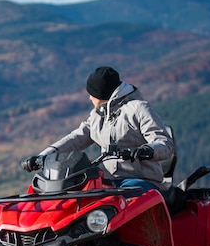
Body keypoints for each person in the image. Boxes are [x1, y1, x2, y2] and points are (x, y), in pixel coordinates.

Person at [23, 66, 174, 194]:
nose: (90, 98)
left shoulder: (139, 109)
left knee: (119, 201)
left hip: (142, 182)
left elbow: (165, 144)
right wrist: (43, 157)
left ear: (101, 93)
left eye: (92, 93)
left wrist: (145, 151)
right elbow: (75, 139)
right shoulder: (97, 116)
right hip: (108, 182)